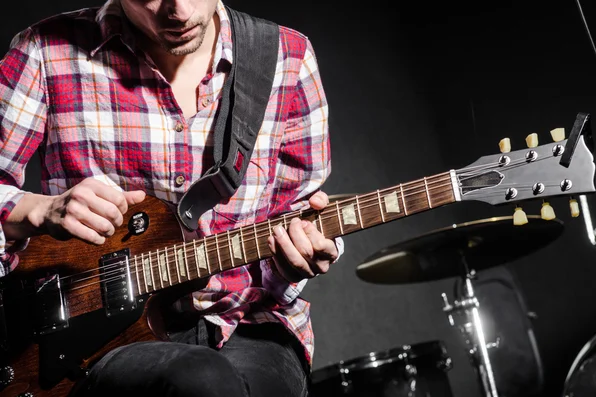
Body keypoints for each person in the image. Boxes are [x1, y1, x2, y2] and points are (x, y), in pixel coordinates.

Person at [0, 0, 343, 396]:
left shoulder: (289, 58)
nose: (178, 10)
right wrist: (38, 209)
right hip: (90, 337)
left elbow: (299, 211)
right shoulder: (44, 51)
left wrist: (298, 257)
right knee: (200, 379)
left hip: (247, 320)